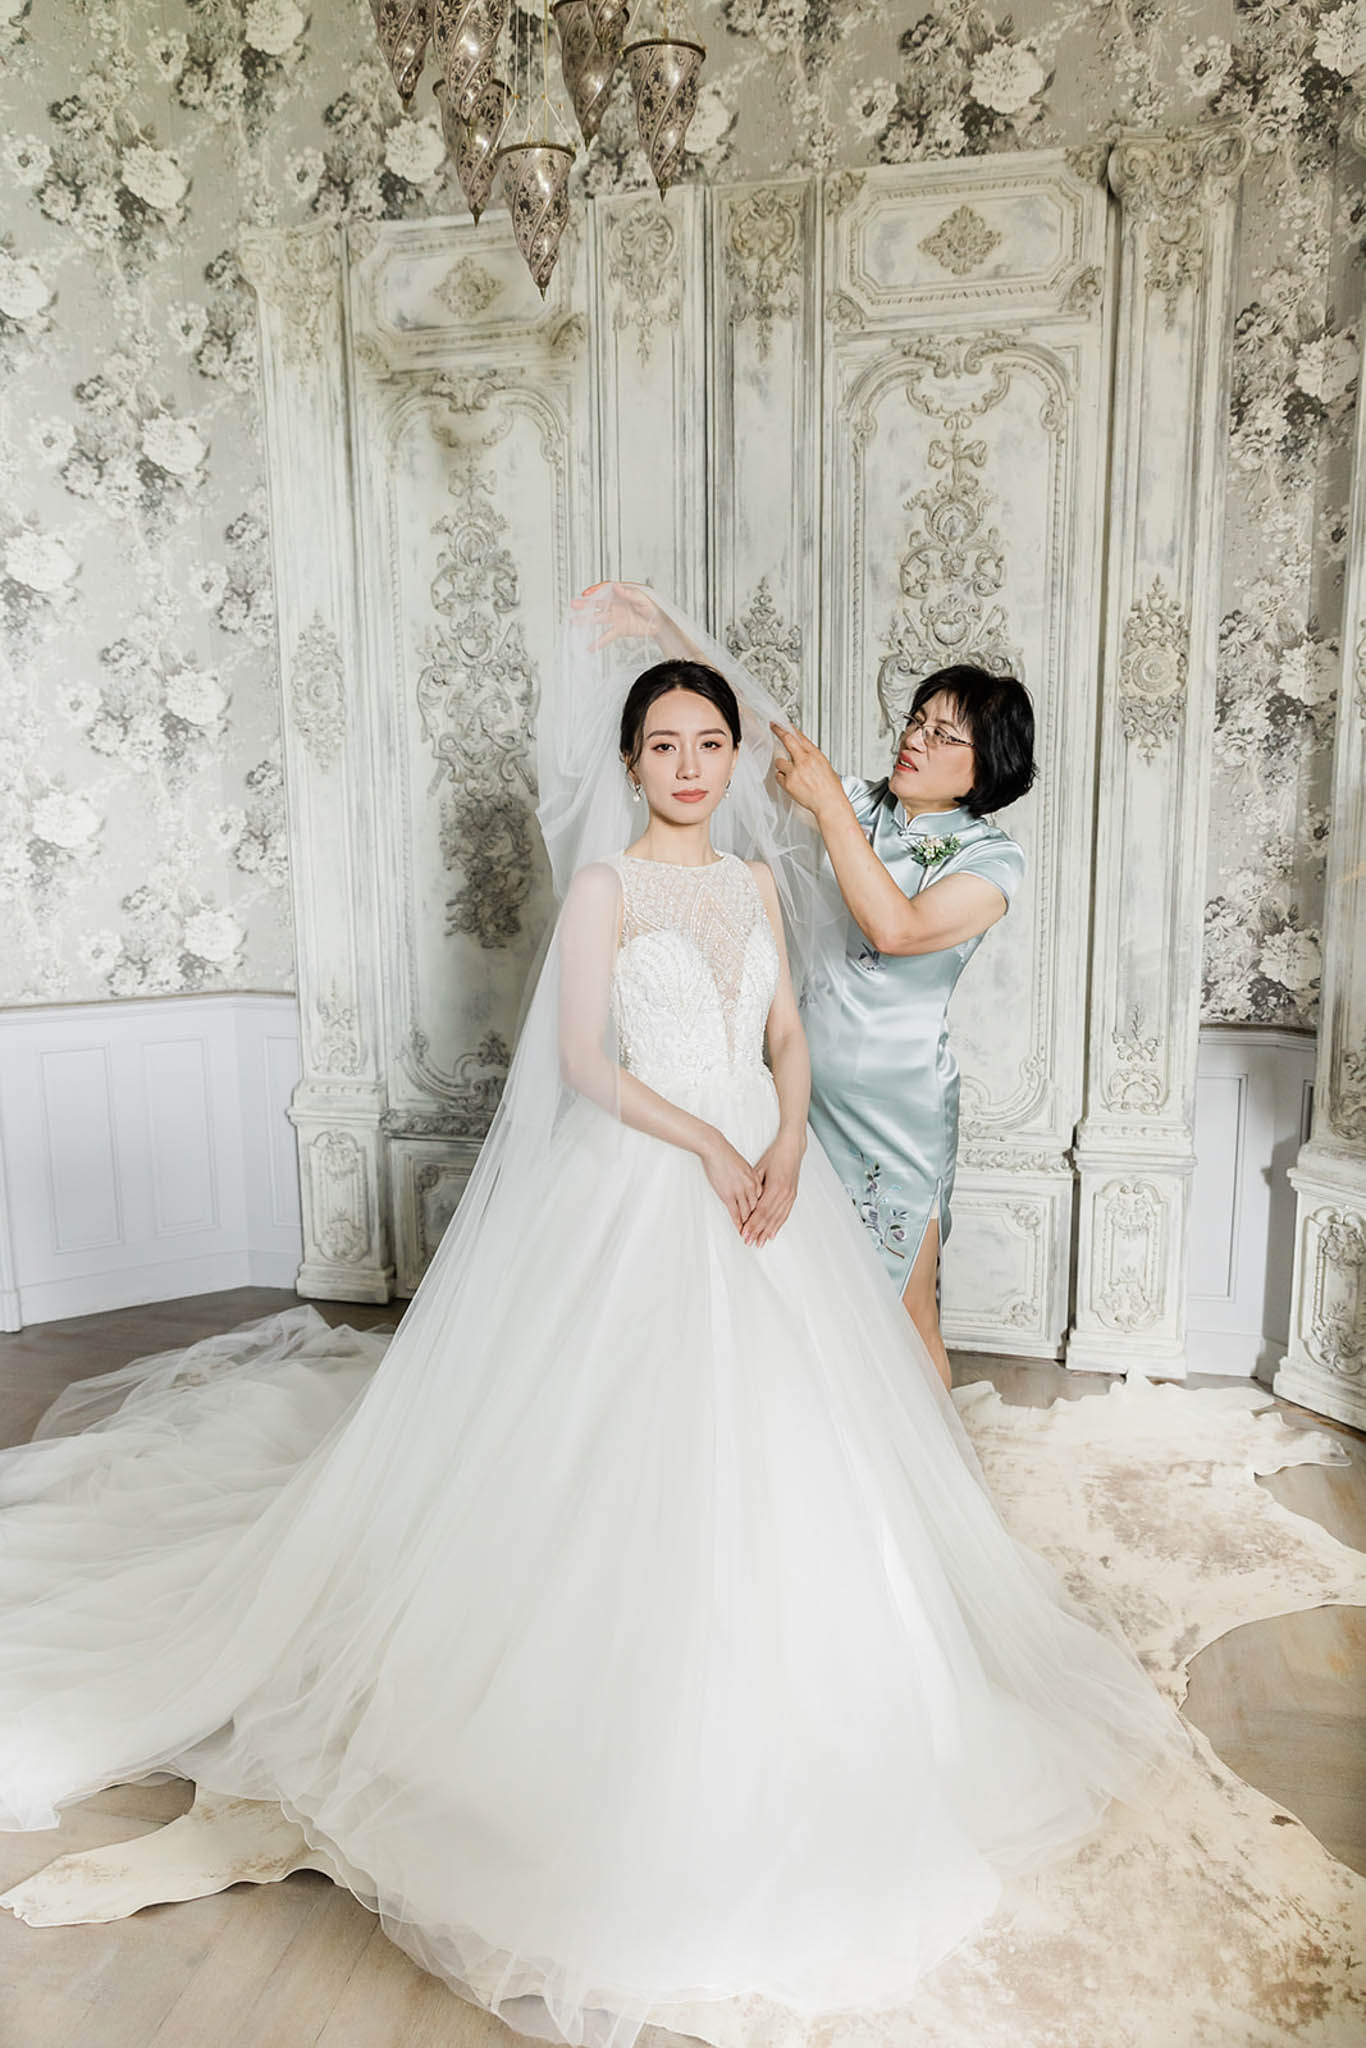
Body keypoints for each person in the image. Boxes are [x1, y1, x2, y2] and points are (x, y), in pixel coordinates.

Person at [0, 598, 1183, 2048]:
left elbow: (791, 1034)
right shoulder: (610, 893)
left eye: (709, 740)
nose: (690, 762)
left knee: (816, 1431)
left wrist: (791, 1144)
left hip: (771, 1176)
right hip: (650, 1174)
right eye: (663, 743)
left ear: (735, 755)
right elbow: (579, 1064)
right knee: (616, 1438)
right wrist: (711, 1146)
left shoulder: (758, 884)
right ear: (629, 767)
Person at [579, 585, 1033, 1390]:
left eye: (943, 734)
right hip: (793, 1097)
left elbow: (894, 930)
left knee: (902, 1305)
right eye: (916, 721)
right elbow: (747, 727)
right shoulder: (859, 802)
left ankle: (933, 1494)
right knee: (805, 1310)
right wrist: (662, 628)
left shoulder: (990, 861)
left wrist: (831, 811)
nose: (916, 740)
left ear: (982, 767)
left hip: (895, 1112)